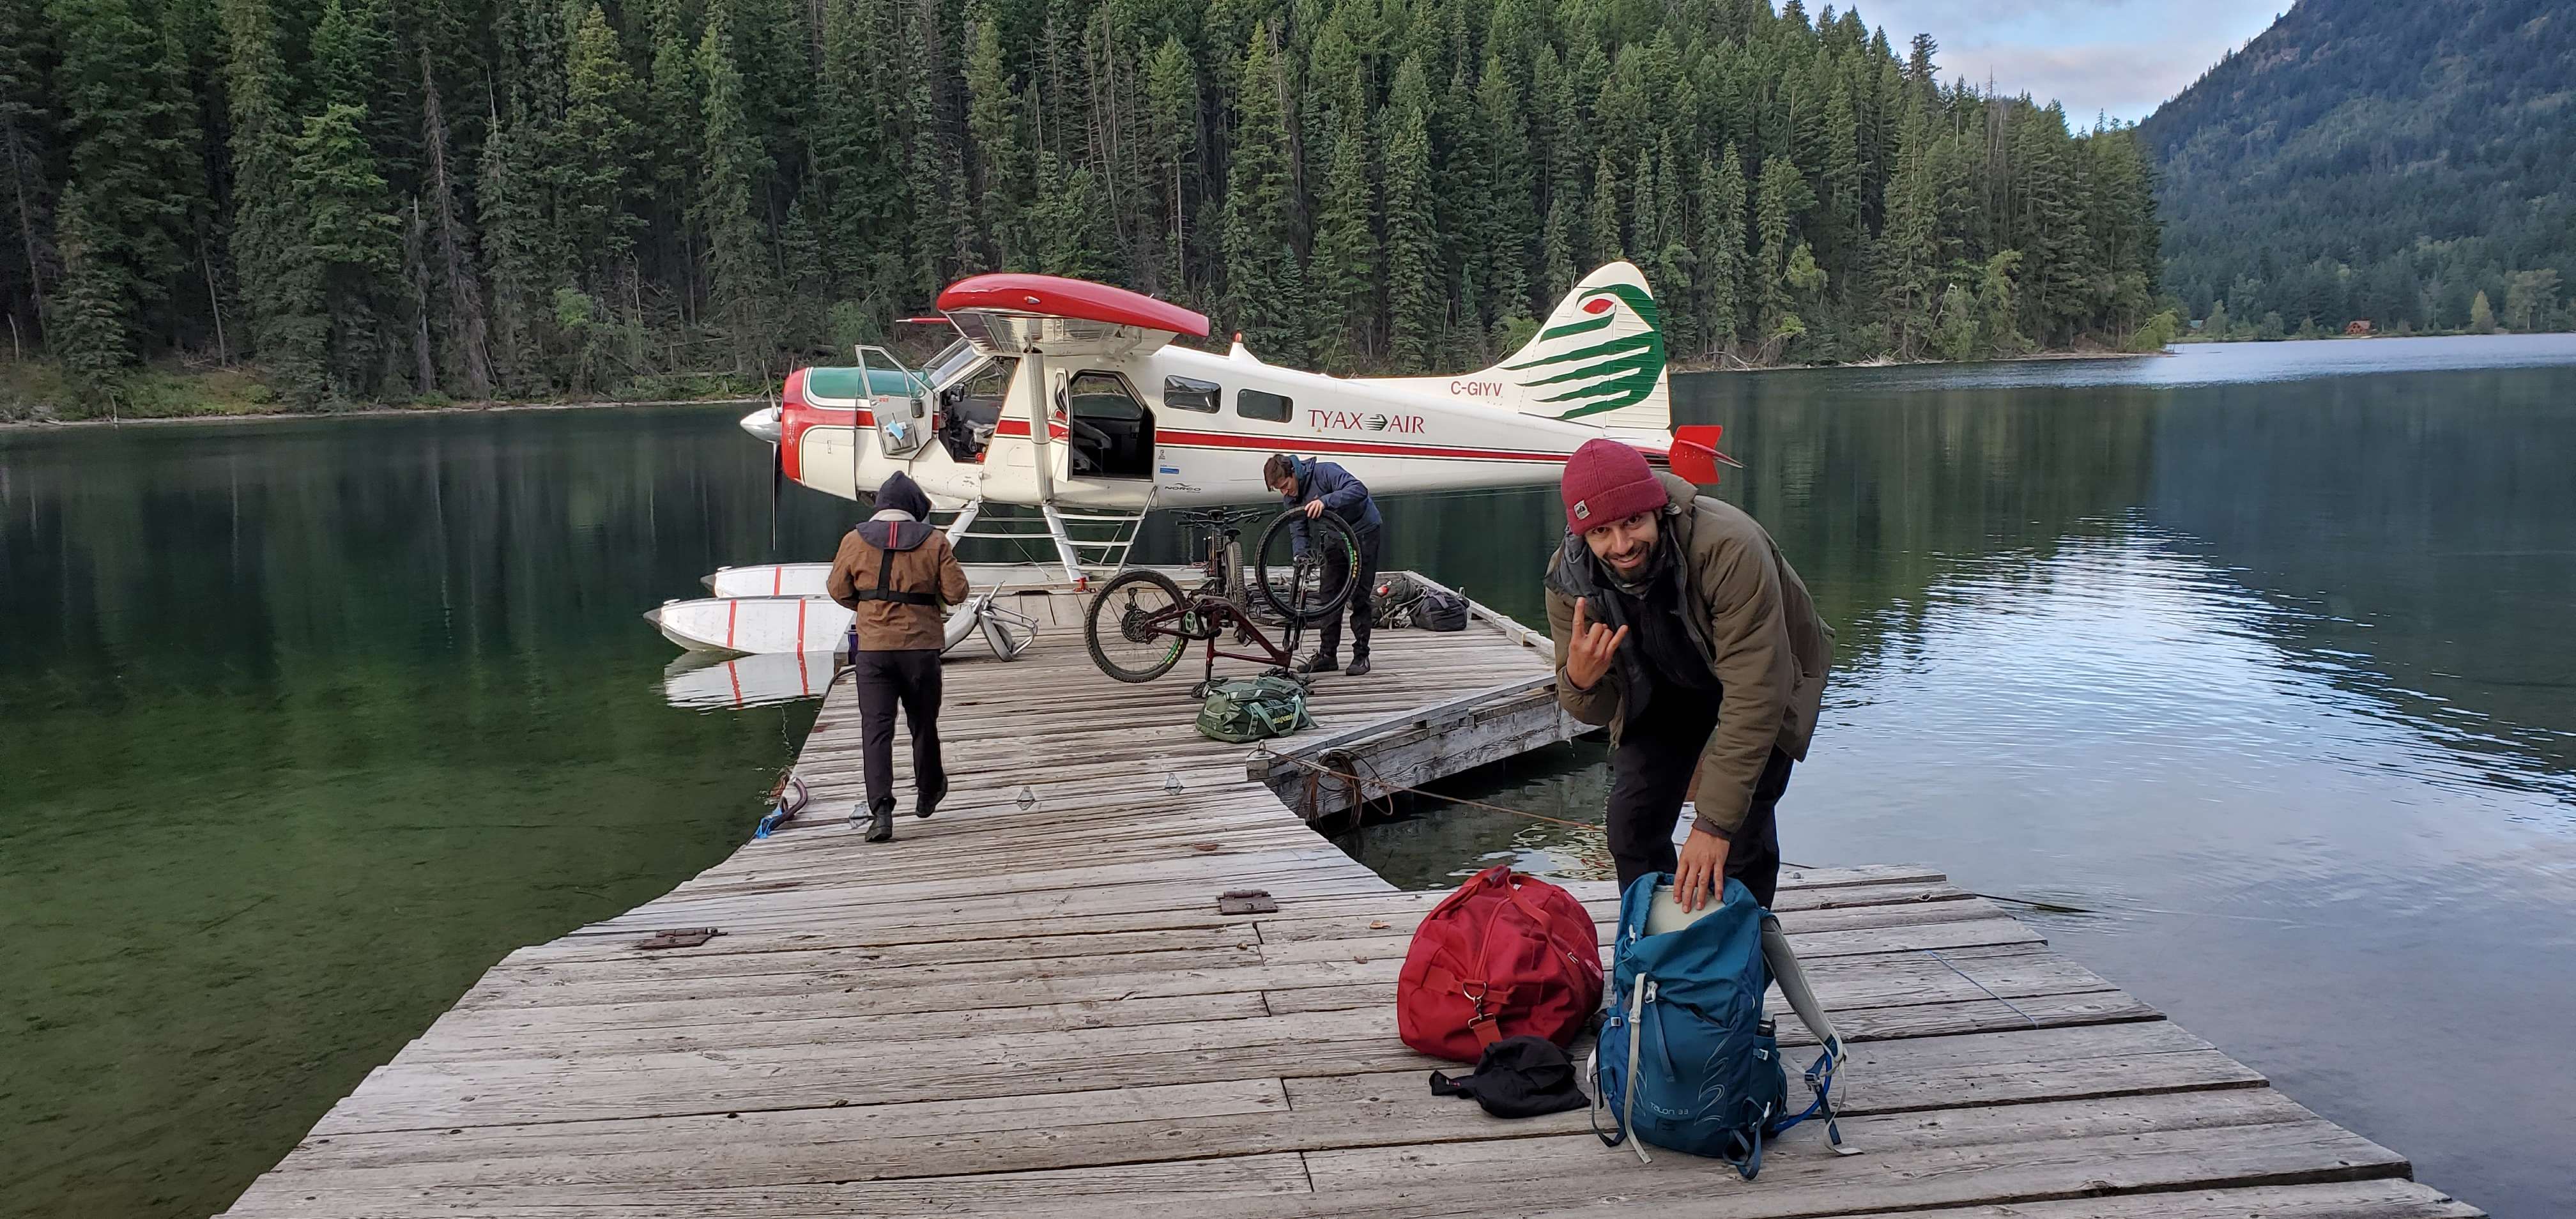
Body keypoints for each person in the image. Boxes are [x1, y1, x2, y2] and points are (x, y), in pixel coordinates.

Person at [1542, 439, 1832, 910]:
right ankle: (1659, 941)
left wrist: (1712, 825)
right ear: (1582, 536)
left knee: (1739, 833)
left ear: (1657, 508)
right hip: (1667, 680)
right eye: (1601, 532)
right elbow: (1598, 709)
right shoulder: (1570, 581)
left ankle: (1740, 950)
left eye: (1633, 521)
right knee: (1632, 825)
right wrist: (1580, 681)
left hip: (1768, 674)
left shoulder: (1729, 548)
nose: (1622, 545)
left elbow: (1756, 693)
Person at [826, 471, 970, 843]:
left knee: (876, 729)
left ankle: (881, 812)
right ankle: (928, 791)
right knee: (923, 722)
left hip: (874, 651)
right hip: (920, 648)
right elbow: (957, 593)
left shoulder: (854, 540)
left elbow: (838, 589)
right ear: (914, 508)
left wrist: (868, 608)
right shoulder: (934, 540)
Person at [1264, 452, 1383, 677]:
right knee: (1328, 595)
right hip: (1335, 534)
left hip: (1363, 531)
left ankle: (1361, 655)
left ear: (1294, 473)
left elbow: (1359, 490)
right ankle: (1328, 655)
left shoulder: (1326, 471)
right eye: (1280, 490)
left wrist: (1325, 501)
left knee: (1360, 595)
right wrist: (1301, 555)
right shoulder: (1291, 497)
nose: (1285, 492)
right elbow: (1298, 529)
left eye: (1286, 486)